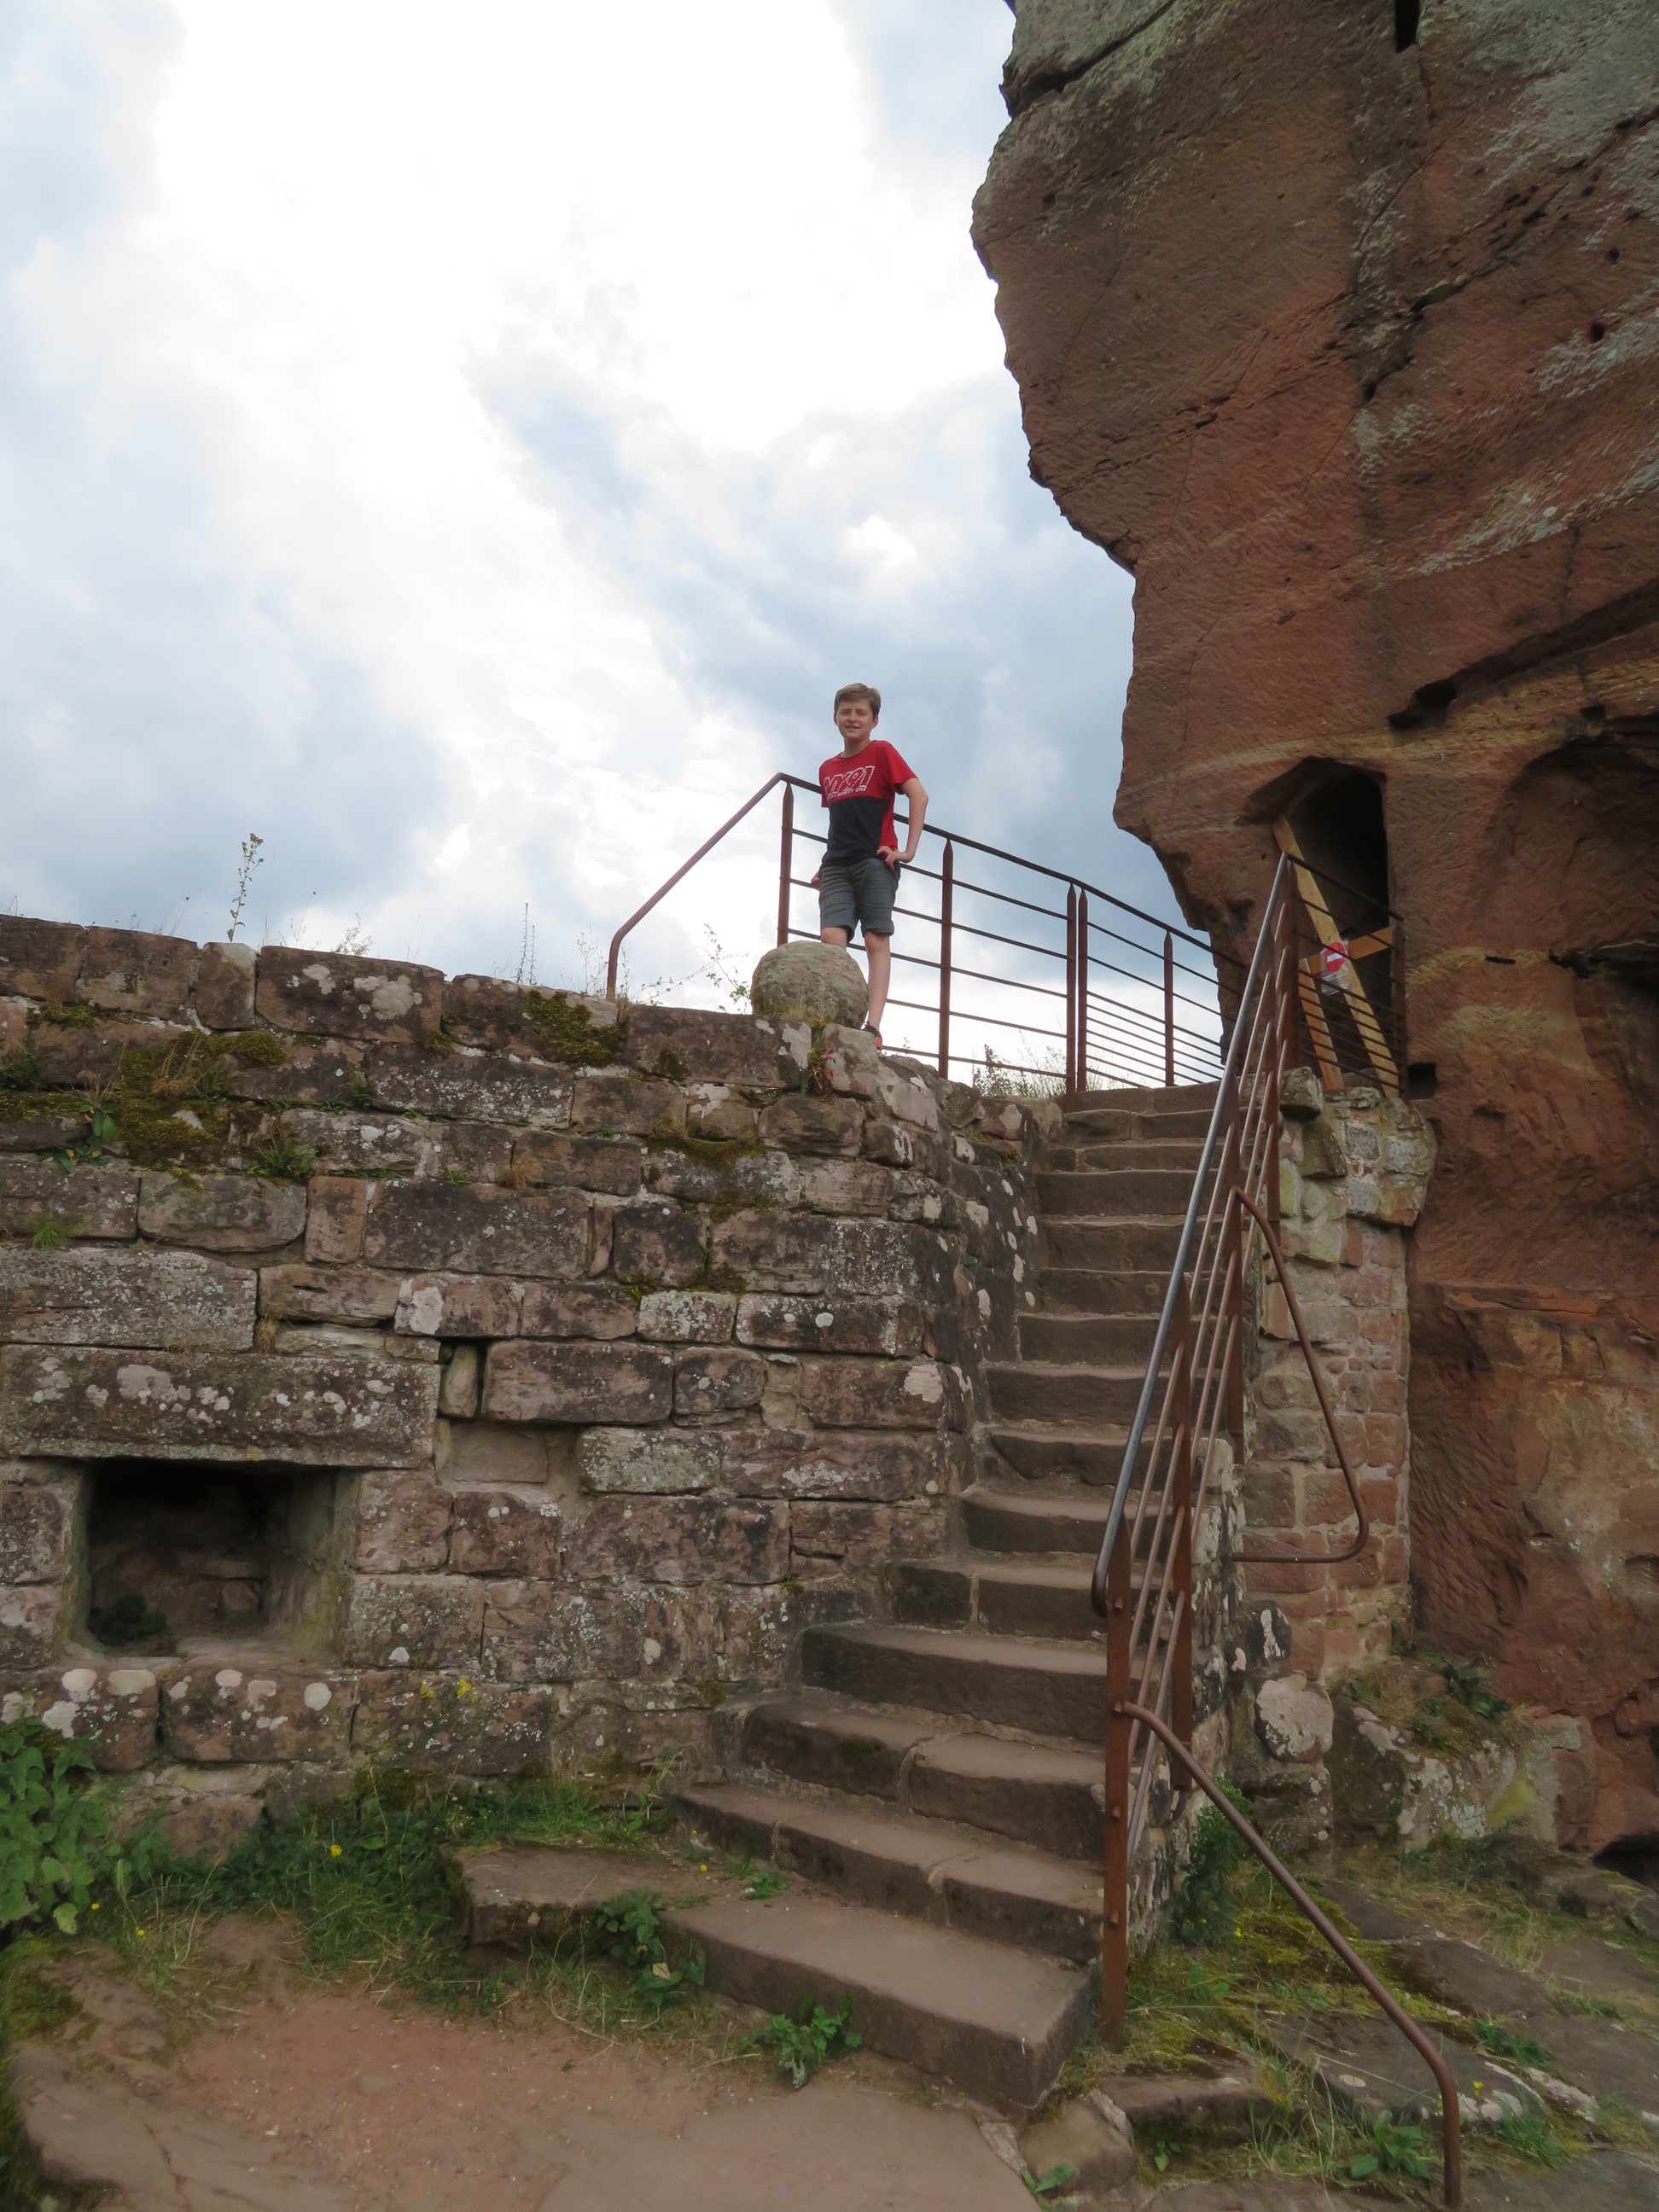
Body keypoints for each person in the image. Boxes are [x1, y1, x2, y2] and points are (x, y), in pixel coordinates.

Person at [811, 682, 928, 1049]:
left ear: (874, 720)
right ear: (834, 718)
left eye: (861, 713)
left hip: (876, 860)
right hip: (836, 864)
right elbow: (840, 822)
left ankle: (872, 1027)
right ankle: (838, 1017)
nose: (853, 718)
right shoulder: (827, 768)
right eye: (846, 712)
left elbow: (919, 794)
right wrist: (824, 863)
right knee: (832, 939)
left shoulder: (882, 752)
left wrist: (908, 851)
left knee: (876, 939)